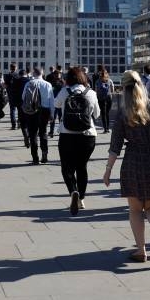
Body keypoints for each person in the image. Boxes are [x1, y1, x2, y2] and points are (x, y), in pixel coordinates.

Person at [103, 70, 150, 264]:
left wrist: (108, 170)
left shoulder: (123, 114)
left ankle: (141, 250)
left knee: (135, 210)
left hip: (132, 163)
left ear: (123, 89)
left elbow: (115, 147)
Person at [54, 67, 101, 215]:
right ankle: (81, 198)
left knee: (67, 168)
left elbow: (56, 104)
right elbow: (97, 114)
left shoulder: (65, 91)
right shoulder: (91, 93)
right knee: (82, 167)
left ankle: (73, 191)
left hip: (67, 134)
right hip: (87, 135)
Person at [21, 67, 54, 164]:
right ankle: (44, 155)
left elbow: (23, 97)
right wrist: (52, 113)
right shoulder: (48, 84)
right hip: (44, 110)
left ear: (34, 73)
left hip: (32, 110)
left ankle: (35, 158)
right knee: (43, 132)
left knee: (32, 134)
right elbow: (51, 100)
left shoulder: (29, 83)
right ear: (42, 73)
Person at [94, 68, 115, 133]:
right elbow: (112, 90)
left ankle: (105, 128)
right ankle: (108, 128)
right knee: (107, 113)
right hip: (109, 98)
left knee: (103, 114)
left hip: (101, 98)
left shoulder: (97, 81)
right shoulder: (110, 80)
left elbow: (95, 90)